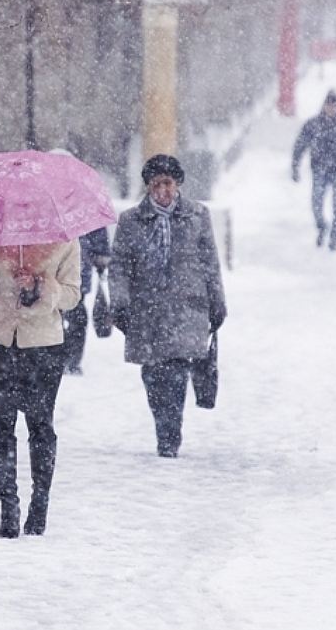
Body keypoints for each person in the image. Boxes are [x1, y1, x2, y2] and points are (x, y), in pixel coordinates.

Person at [0, 240, 81, 538]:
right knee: (2, 428)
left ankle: (39, 505)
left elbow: (71, 295)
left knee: (41, 426)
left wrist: (41, 286)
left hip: (43, 348)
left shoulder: (65, 241)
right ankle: (8, 507)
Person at [110, 154, 227, 458]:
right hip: (146, 311)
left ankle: (169, 435)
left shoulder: (197, 216)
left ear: (178, 185)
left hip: (187, 308)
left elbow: (210, 263)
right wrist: (120, 301)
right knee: (153, 376)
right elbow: (120, 265)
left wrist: (217, 303)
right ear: (148, 187)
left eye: (168, 183)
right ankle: (164, 425)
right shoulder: (131, 221)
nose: (163, 190)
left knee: (176, 373)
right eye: (156, 184)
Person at [291, 91, 336, 251]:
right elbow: (300, 145)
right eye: (328, 106)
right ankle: (322, 226)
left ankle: (335, 237)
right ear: (324, 106)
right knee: (316, 203)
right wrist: (295, 165)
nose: (331, 109)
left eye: (333, 106)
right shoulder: (314, 124)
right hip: (319, 169)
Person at [60, 227, 111, 375]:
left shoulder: (84, 210)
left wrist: (101, 257)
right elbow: (99, 241)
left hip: (75, 275)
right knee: (73, 319)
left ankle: (68, 359)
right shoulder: (85, 210)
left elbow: (99, 239)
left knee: (74, 317)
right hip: (66, 273)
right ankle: (67, 359)